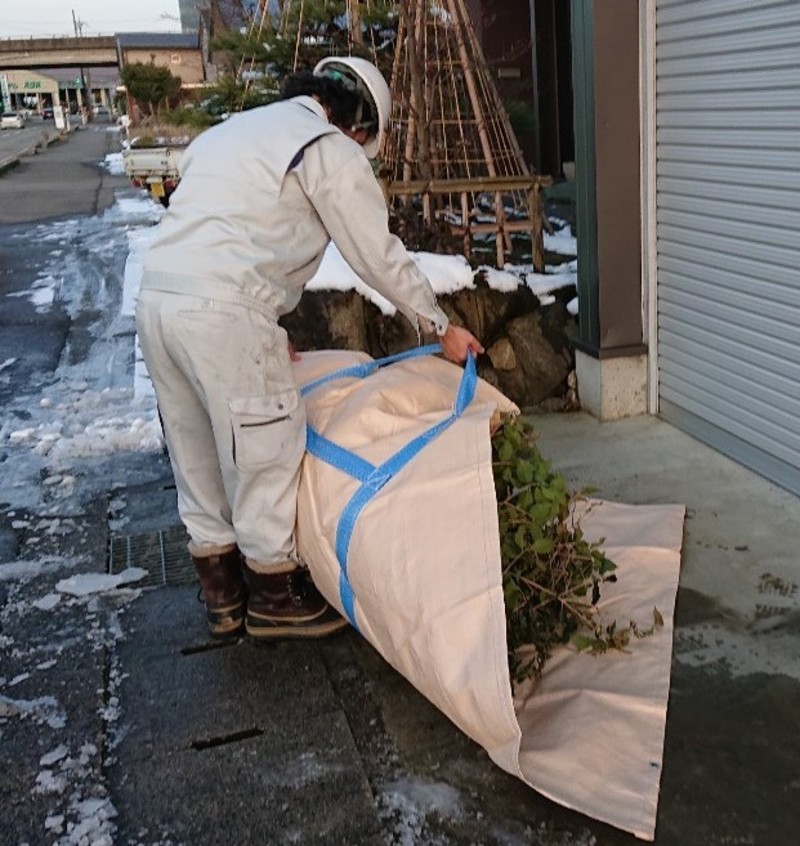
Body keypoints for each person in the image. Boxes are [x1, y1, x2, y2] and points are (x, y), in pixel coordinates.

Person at [135, 56, 484, 641]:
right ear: (361, 125)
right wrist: (439, 323)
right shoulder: (326, 148)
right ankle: (276, 595)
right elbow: (376, 251)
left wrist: (260, 322)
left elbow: (228, 231)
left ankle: (221, 593)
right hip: (222, 312)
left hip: (158, 301)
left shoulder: (235, 132)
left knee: (195, 448)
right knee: (266, 445)